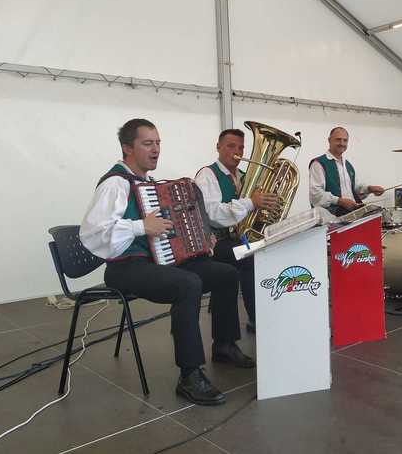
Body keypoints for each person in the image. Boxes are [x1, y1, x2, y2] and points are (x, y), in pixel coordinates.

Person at [80, 119, 254, 407]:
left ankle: (224, 344)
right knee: (188, 284)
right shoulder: (115, 184)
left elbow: (168, 229)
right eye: (147, 143)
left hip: (158, 261)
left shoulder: (149, 185)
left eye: (158, 143)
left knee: (225, 274)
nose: (156, 149)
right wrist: (140, 227)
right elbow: (92, 234)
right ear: (127, 148)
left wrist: (200, 238)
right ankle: (189, 375)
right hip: (125, 267)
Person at [194, 128, 280, 333]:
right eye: (231, 146)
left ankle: (272, 311)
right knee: (250, 257)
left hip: (239, 238)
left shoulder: (244, 176)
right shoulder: (207, 175)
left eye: (241, 147)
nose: (237, 152)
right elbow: (212, 213)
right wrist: (251, 203)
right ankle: (257, 318)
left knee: (272, 251)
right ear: (218, 147)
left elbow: (253, 211)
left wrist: (269, 205)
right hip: (216, 242)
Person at [309, 126, 384, 215]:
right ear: (329, 140)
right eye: (338, 140)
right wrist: (339, 201)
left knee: (379, 213)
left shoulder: (348, 165)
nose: (342, 143)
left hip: (350, 214)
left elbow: (353, 190)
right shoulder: (318, 164)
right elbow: (315, 195)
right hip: (331, 217)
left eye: (345, 140)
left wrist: (369, 189)